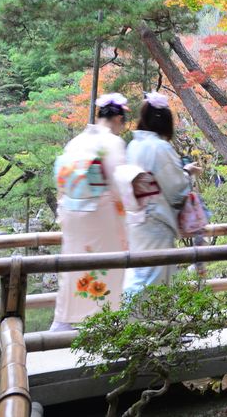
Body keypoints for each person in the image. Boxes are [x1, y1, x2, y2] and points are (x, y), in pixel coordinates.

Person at [50, 93, 130, 331]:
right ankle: (102, 323)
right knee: (108, 267)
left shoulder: (76, 141)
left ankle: (65, 322)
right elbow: (120, 185)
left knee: (75, 266)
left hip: (72, 213)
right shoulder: (113, 143)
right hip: (100, 214)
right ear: (118, 118)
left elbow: (61, 181)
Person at [122, 92, 201, 294]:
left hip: (136, 218)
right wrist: (187, 173)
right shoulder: (160, 148)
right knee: (154, 276)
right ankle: (149, 323)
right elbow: (176, 188)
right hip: (156, 219)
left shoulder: (133, 145)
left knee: (140, 272)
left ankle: (135, 321)